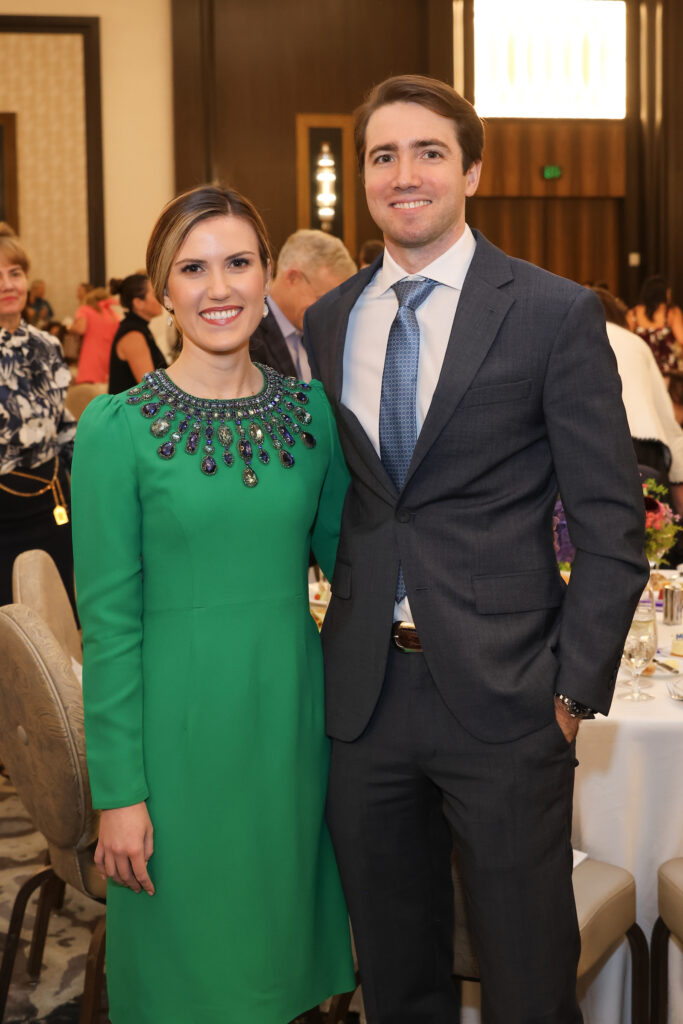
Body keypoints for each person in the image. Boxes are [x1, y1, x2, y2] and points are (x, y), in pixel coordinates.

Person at [303, 74, 649, 1024]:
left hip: (507, 704)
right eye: (383, 155)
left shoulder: (551, 312)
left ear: (471, 171)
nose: (402, 174)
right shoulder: (331, 319)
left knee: (528, 978)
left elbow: (614, 526)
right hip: (364, 702)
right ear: (363, 177)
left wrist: (572, 692)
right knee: (395, 974)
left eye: (427, 153)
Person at [71, 184, 354, 1023]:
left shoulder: (312, 418)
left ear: (269, 276)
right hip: (175, 743)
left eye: (237, 263)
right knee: (187, 980)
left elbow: (358, 574)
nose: (219, 287)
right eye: (193, 269)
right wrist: (118, 793)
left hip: (289, 731)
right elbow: (109, 626)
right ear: (163, 289)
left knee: (276, 971)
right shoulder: (116, 430)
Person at [0, 223, 76, 609]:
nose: (8, 284)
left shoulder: (47, 345)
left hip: (51, 502)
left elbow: (61, 425)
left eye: (15, 273)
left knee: (56, 613)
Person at [249, 228, 355, 379]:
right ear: (293, 278)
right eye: (322, 300)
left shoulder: (315, 335)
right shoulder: (250, 334)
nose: (330, 314)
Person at [107, 272, 166, 393]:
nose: (160, 297)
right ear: (138, 303)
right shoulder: (133, 334)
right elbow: (150, 388)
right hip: (129, 410)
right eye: (154, 294)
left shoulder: (140, 329)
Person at [71, 285, 119, 384]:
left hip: (91, 357)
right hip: (109, 358)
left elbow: (81, 329)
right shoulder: (113, 314)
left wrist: (70, 327)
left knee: (88, 393)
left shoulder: (85, 309)